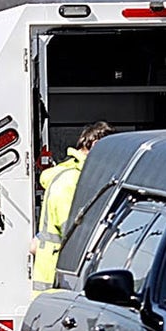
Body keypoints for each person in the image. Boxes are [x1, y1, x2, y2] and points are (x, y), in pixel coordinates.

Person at [31, 121, 115, 294]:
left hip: (59, 284)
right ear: (97, 147)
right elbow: (73, 235)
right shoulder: (70, 182)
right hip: (61, 286)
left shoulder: (74, 177)